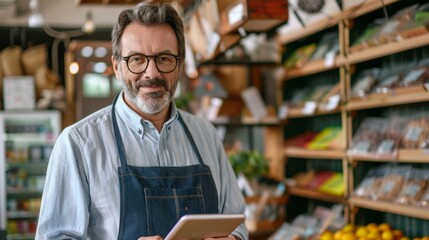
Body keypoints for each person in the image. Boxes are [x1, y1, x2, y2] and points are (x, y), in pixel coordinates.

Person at [35, 2, 248, 240]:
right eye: (137, 59)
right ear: (117, 67)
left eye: (164, 58)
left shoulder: (205, 134)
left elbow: (236, 219)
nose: (152, 73)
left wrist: (234, 238)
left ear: (178, 66)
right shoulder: (78, 144)